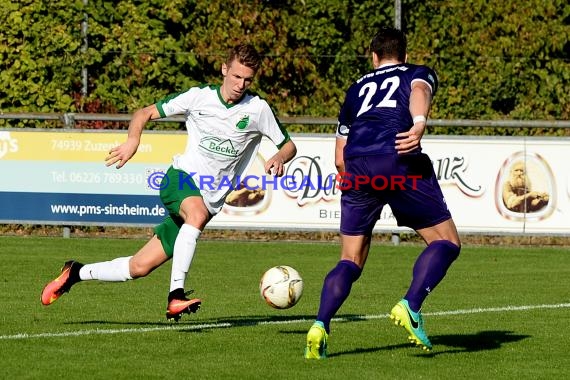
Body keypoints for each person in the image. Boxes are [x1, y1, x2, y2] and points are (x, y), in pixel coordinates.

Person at [41, 43, 297, 322]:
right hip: (180, 180)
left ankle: (75, 272)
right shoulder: (199, 97)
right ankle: (176, 295)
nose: (240, 84)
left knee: (138, 266)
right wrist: (133, 140)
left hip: (208, 201)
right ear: (224, 69)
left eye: (247, 79)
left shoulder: (258, 109)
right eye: (236, 76)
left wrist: (279, 157)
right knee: (196, 214)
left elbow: (288, 145)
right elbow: (143, 113)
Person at [304, 27, 461, 359]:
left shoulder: (357, 87)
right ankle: (411, 305)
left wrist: (350, 179)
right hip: (397, 156)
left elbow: (338, 154)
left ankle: (320, 325)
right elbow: (419, 90)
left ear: (373, 56)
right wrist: (418, 123)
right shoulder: (416, 72)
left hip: (357, 164)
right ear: (404, 55)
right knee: (446, 241)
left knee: (349, 259)